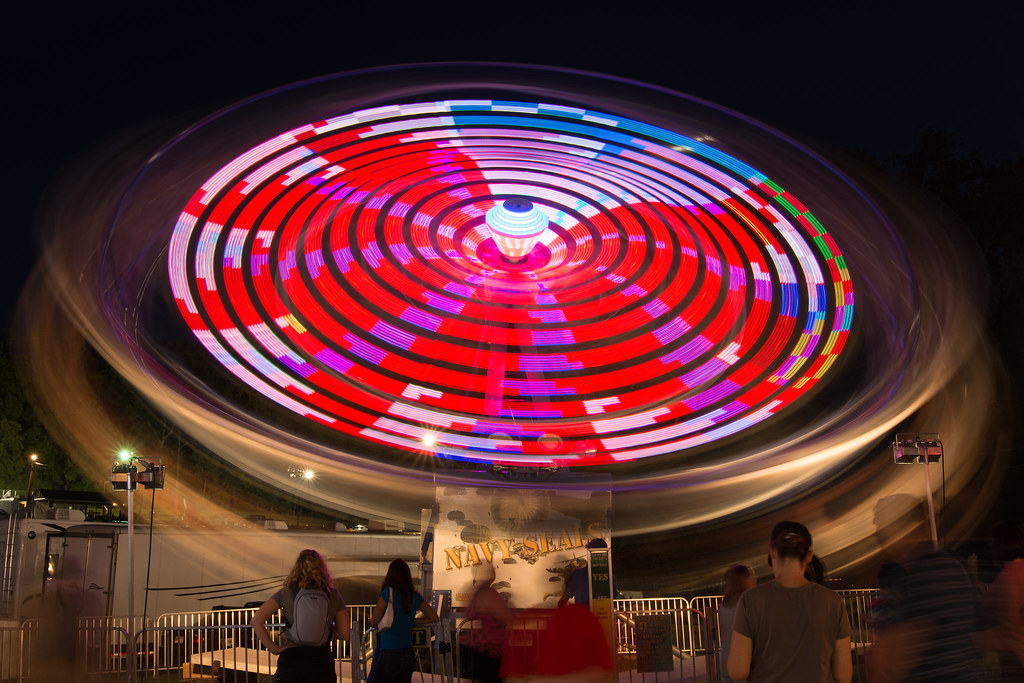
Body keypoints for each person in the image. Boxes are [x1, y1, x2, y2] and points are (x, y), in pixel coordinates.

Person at [727, 521, 851, 683]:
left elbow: (737, 671)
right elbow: (844, 675)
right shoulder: (832, 601)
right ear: (808, 556)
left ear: (772, 552)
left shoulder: (750, 600)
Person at [252, 549, 350, 683]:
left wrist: (274, 648)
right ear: (322, 569)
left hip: (292, 659)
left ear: (297, 569)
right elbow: (345, 634)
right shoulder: (333, 595)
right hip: (321, 662)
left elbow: (256, 621)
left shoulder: (286, 593)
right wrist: (329, 632)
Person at [368, 558, 440, 683]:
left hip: (389, 651)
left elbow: (373, 623)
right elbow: (434, 617)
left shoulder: (387, 593)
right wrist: (413, 622)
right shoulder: (415, 596)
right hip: (408, 652)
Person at [982, 520, 1024, 681]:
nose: (990, 546)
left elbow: (1009, 619)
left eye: (993, 542)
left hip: (1013, 655)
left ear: (1005, 543)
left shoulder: (1011, 573)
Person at [461, 563, 511, 683]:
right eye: (491, 570)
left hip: (477, 650)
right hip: (489, 650)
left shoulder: (476, 592)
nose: (494, 572)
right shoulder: (488, 593)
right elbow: (505, 618)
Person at [718, 564, 755, 683]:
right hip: (744, 665)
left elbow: (723, 633)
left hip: (727, 663)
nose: (754, 579)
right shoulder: (748, 603)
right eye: (751, 576)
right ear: (744, 579)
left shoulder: (723, 605)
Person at [558, 538, 609, 608]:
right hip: (603, 617)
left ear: (589, 553)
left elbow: (563, 601)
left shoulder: (577, 575)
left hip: (583, 617)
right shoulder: (610, 577)